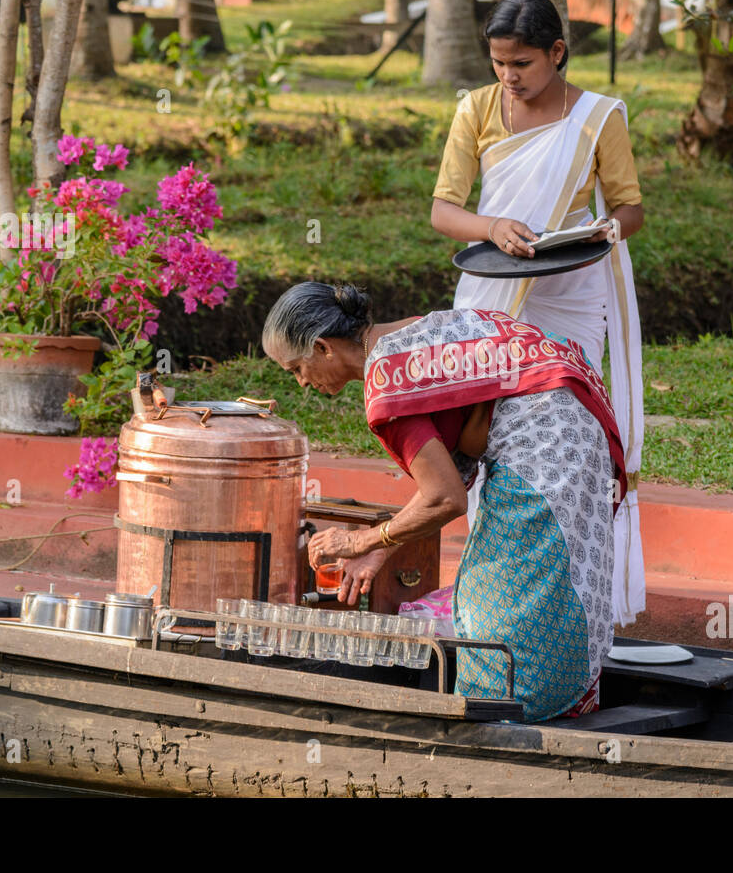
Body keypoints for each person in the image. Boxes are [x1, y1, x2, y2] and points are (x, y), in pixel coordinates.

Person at [261, 282, 628, 722]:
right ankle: (563, 710)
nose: (302, 383)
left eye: (296, 368)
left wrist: (360, 541)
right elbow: (460, 461)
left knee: (497, 601)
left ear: (322, 347)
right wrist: (383, 549)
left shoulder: (386, 383)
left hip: (541, 455)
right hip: (577, 430)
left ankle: (505, 725)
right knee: (559, 582)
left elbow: (445, 498)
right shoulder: (410, 334)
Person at [429, 0, 647, 627]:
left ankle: (572, 599)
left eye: (521, 63)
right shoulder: (475, 108)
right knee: (488, 430)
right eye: (498, 63)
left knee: (566, 431)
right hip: (493, 283)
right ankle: (494, 598)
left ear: (557, 52)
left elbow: (629, 208)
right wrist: (492, 225)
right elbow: (444, 209)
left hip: (572, 291)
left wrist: (592, 236)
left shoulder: (599, 117)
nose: (508, 77)